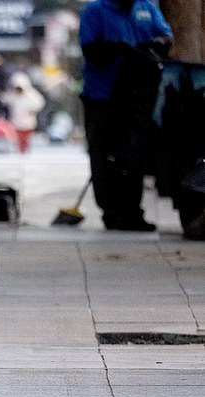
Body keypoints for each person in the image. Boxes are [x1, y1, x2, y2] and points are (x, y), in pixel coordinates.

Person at [79, 0, 173, 231]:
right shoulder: (95, 11)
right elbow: (90, 49)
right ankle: (112, 211)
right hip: (102, 98)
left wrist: (151, 46)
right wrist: (117, 49)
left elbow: (166, 37)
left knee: (135, 155)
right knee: (104, 155)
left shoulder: (147, 9)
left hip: (138, 98)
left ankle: (132, 210)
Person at [0, 71, 45, 153]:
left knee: (26, 137)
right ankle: (20, 149)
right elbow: (5, 99)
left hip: (28, 120)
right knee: (18, 137)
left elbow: (39, 103)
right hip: (17, 119)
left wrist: (32, 109)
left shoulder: (31, 94)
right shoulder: (13, 94)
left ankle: (24, 149)